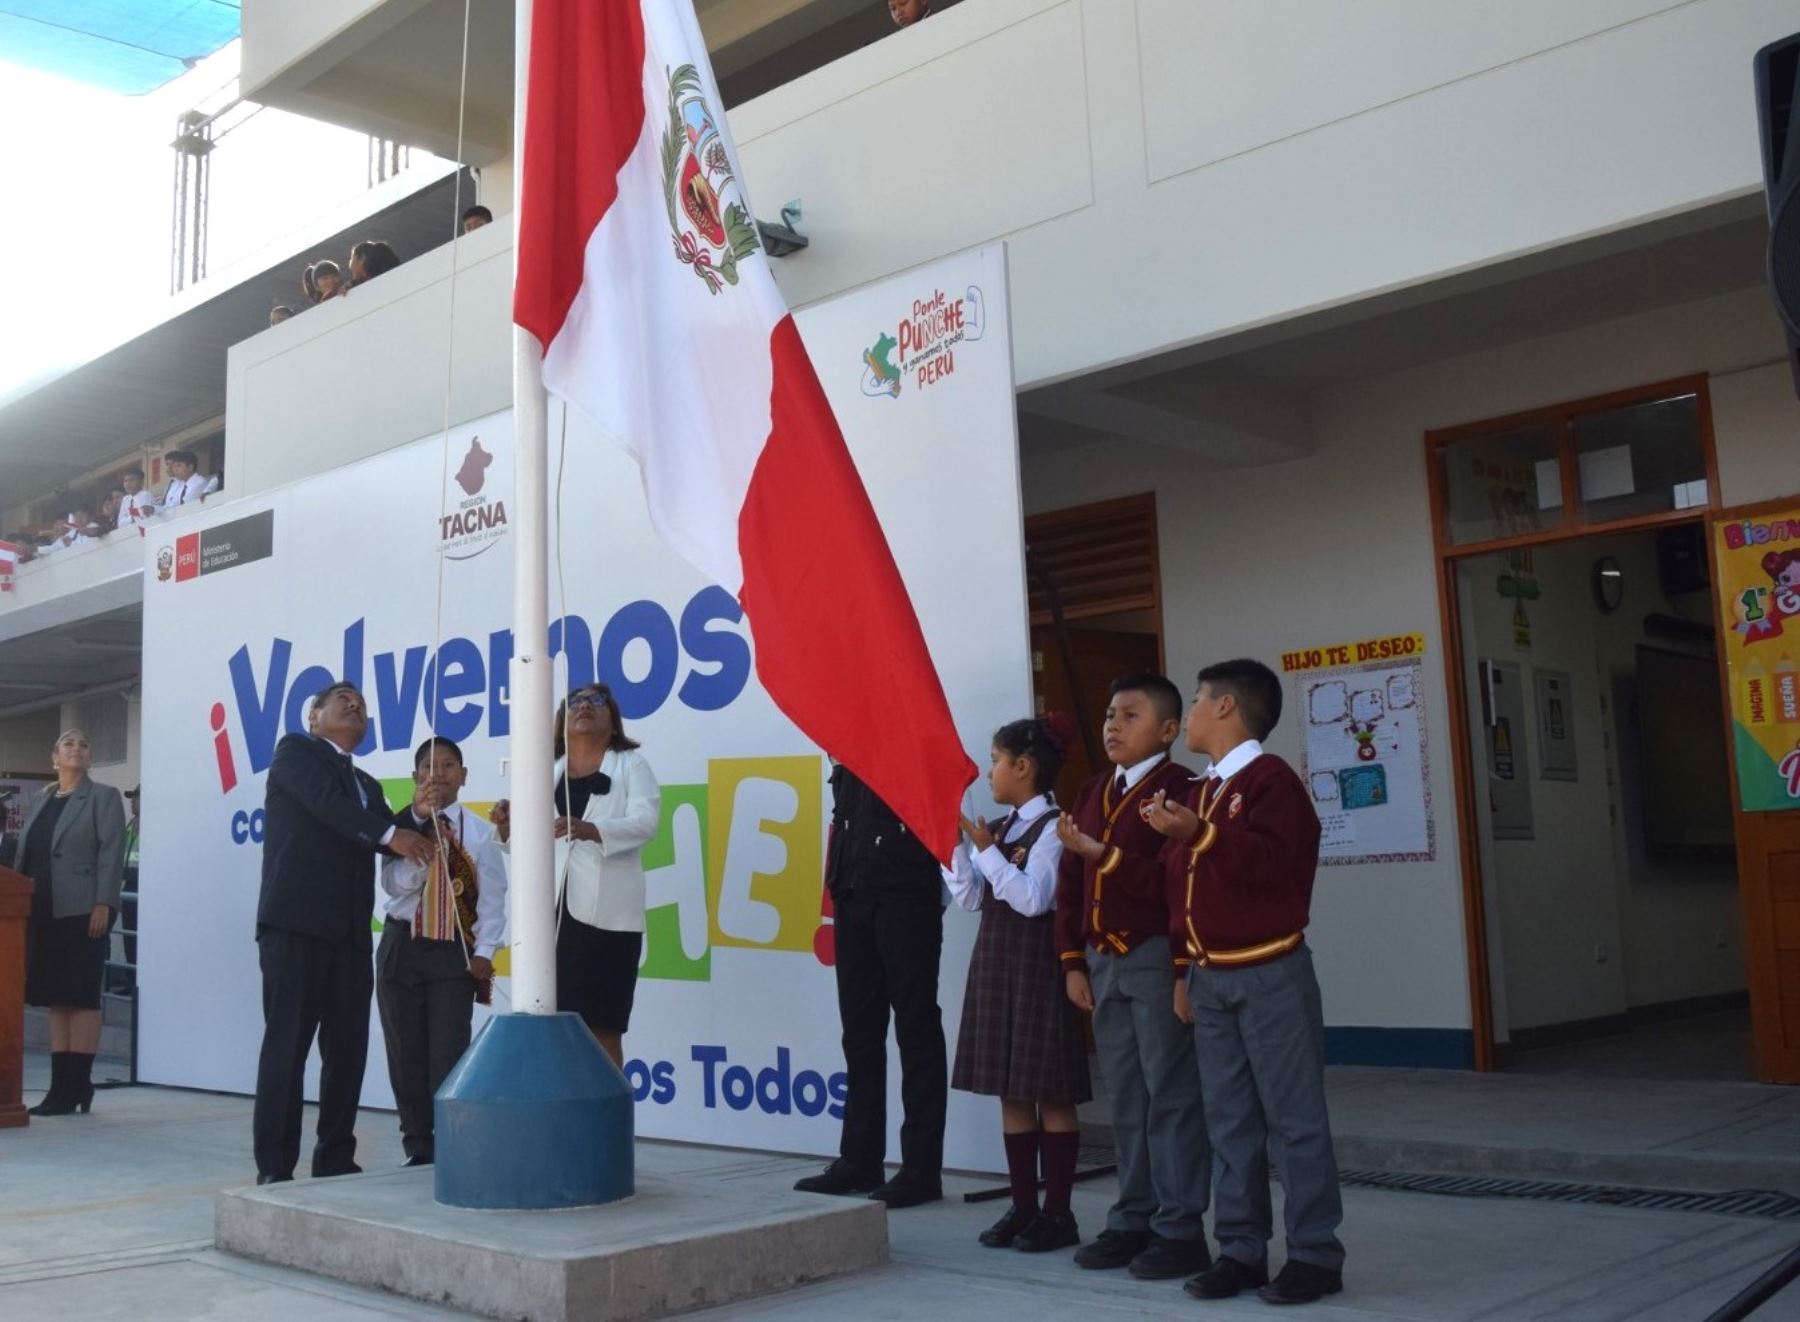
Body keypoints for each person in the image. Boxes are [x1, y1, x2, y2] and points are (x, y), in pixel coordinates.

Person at [1143, 660, 1343, 1306]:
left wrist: (1200, 834)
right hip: (1211, 977)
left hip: (1269, 971)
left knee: (1294, 1120)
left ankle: (1314, 1252)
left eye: (1199, 700)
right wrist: (1182, 969)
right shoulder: (1200, 791)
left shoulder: (1270, 781)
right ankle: (1241, 1249)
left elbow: (1271, 864)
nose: (1193, 713)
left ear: (1227, 707)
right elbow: (1182, 895)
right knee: (1228, 1120)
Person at [1053, 672, 1212, 1280]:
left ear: (1169, 730)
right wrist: (1071, 960)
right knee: (1126, 1094)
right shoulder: (1093, 790)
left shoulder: (1183, 792)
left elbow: (1178, 887)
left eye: (1132, 716)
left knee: (1170, 1093)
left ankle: (1180, 1227)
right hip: (1101, 961)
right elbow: (1071, 887)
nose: (1114, 726)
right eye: (1110, 715)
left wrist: (1179, 971)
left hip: (1153, 957)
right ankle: (1133, 1216)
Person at [251, 681, 435, 1184]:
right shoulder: (295, 753)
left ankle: (334, 1156)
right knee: (287, 1047)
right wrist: (391, 833)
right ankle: (274, 1165)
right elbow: (328, 806)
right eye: (344, 702)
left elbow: (384, 831)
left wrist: (416, 813)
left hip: (351, 932)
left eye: (362, 707)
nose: (356, 709)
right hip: (294, 926)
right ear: (314, 717)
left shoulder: (367, 785)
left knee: (347, 1050)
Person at [944, 716, 1089, 1253]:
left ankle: (1058, 1213)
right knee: (1012, 1088)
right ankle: (1023, 1206)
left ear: (1023, 767)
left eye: (995, 762)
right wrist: (956, 849)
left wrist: (985, 850)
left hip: (1038, 968)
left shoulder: (1053, 828)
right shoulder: (1001, 829)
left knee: (1050, 1091)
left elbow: (1033, 898)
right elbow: (973, 898)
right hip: (998, 963)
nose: (990, 773)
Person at [793, 764, 947, 1209]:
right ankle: (860, 1159)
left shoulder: (917, 740)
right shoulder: (850, 747)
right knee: (860, 1035)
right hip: (853, 895)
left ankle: (921, 1169)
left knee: (916, 1030)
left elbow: (945, 823)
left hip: (906, 896)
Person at [491, 682, 659, 1068]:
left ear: (612, 720)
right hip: (547, 919)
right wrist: (506, 827)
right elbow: (529, 842)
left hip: (609, 921)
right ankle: (556, 1122)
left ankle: (607, 1125)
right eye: (574, 702)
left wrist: (593, 829)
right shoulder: (544, 771)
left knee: (602, 1028)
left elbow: (646, 822)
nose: (584, 706)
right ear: (561, 721)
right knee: (548, 1024)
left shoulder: (632, 764)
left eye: (595, 701)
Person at [376, 737, 507, 1166]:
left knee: (449, 1048)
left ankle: (453, 1142)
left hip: (454, 950)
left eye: (449, 765)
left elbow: (492, 898)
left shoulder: (482, 832)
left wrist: (486, 950)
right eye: (429, 767)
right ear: (415, 777)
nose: (439, 774)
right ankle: (417, 1145)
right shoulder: (400, 829)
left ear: (464, 776)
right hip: (402, 944)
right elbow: (393, 887)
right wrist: (423, 846)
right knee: (404, 1049)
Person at [8, 731, 126, 1116]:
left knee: (80, 997)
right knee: (57, 999)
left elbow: (111, 853)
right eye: (68, 743)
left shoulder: (103, 797)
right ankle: (61, 1088)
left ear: (89, 759)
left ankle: (78, 1084)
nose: (76, 748)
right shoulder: (42, 799)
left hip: (82, 911)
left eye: (83, 744)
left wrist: (103, 902)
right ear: (53, 758)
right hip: (43, 911)